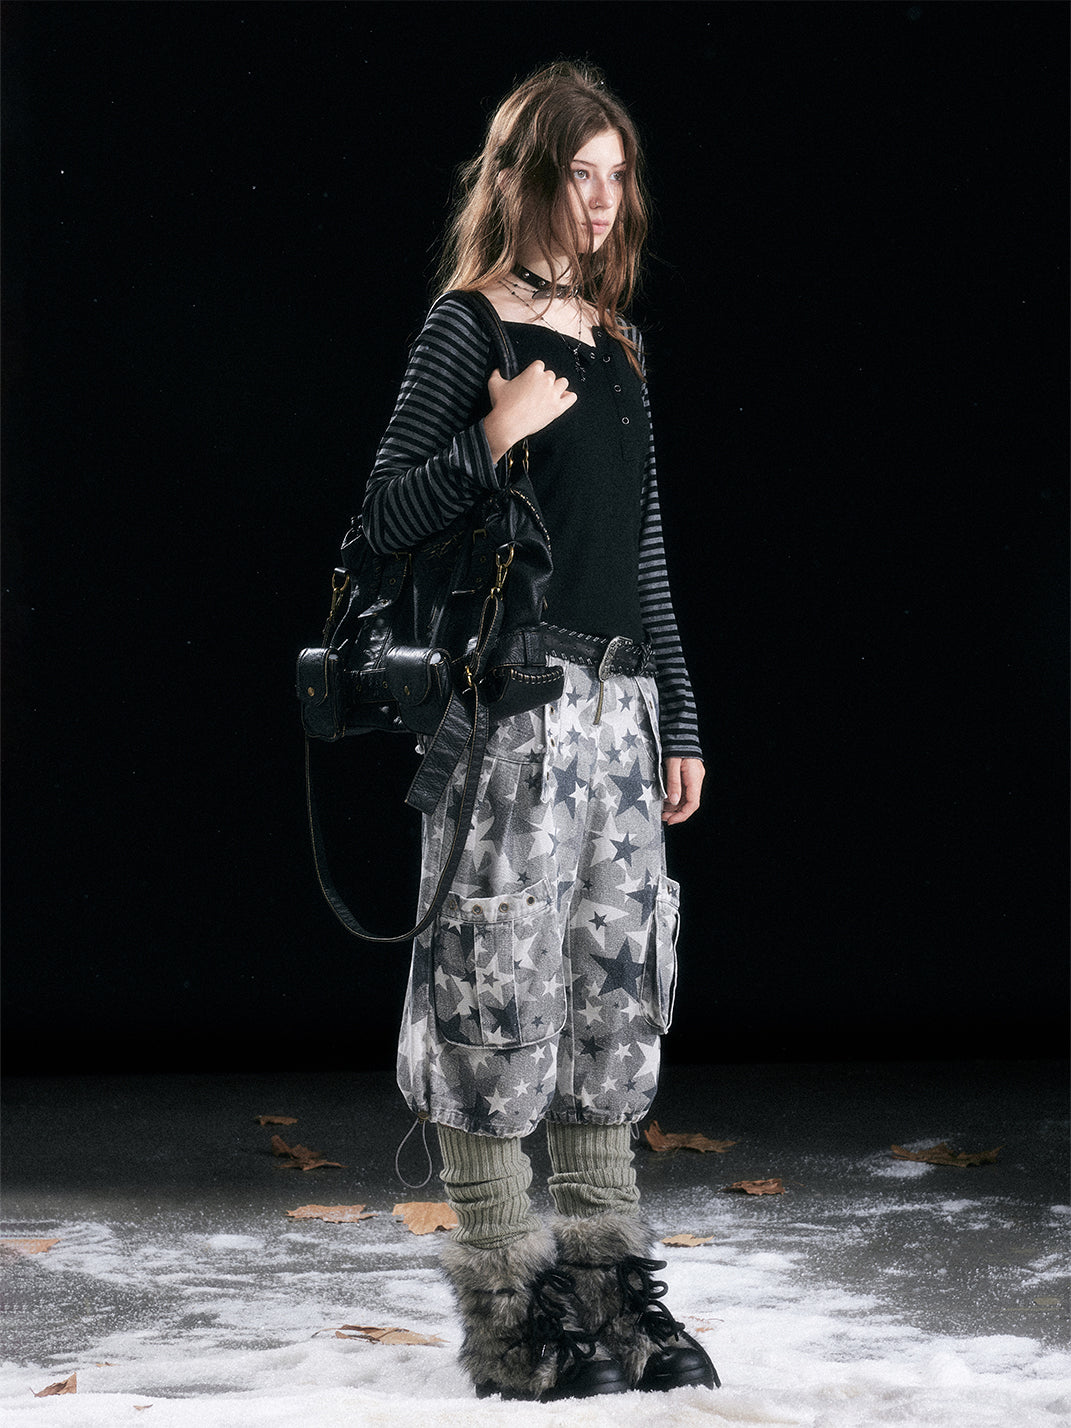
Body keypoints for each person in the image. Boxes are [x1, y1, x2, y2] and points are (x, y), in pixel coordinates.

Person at [361, 61, 716, 1402]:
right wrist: (491, 437)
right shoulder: (470, 330)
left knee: (612, 1005)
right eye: (580, 175)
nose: (603, 203)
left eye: (618, 178)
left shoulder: (618, 343)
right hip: (511, 716)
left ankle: (613, 1299)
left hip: (619, 720)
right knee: (495, 1002)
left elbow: (645, 548)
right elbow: (380, 520)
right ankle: (511, 1314)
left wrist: (679, 712)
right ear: (520, 180)